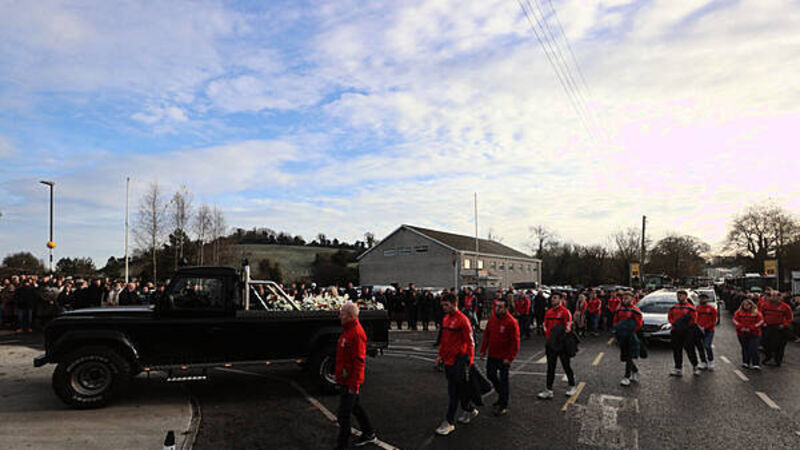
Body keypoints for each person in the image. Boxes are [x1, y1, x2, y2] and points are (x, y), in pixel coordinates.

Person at [334, 302, 377, 449]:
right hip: (346, 378)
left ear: (351, 316)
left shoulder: (356, 334)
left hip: (350, 381)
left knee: (343, 415)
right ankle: (369, 432)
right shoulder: (348, 330)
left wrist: (354, 385)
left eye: (343, 313)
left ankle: (342, 445)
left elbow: (358, 362)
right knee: (355, 407)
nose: (340, 316)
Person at [435, 292, 477, 436]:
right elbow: (444, 340)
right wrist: (440, 355)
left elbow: (470, 341)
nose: (444, 308)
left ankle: (449, 422)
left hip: (459, 360)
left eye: (446, 305)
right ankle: (470, 409)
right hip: (448, 360)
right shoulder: (446, 319)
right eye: (442, 305)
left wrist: (469, 360)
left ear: (454, 304)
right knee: (459, 389)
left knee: (453, 392)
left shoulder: (463, 320)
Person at [479, 298, 520, 416]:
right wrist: (482, 351)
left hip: (504, 357)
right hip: (493, 355)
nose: (497, 309)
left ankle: (503, 405)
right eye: (496, 306)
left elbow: (515, 342)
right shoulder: (492, 319)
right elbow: (486, 335)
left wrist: (510, 358)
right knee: (490, 375)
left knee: (504, 380)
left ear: (506, 308)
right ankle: (501, 394)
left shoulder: (511, 322)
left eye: (500, 307)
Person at [538, 293, 578, 399]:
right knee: (550, 367)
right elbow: (545, 325)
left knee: (566, 366)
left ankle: (572, 385)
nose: (552, 300)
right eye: (552, 298)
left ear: (561, 299)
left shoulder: (565, 312)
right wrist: (549, 337)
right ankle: (549, 389)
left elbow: (568, 327)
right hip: (551, 344)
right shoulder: (548, 312)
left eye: (555, 298)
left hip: (562, 344)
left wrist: (559, 337)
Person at [613, 292, 643, 386]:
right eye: (624, 298)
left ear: (632, 299)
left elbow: (639, 323)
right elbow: (615, 320)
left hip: (630, 335)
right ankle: (635, 370)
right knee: (625, 355)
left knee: (629, 355)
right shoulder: (620, 309)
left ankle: (627, 376)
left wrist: (631, 330)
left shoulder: (635, 310)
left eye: (627, 298)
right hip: (621, 335)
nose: (625, 300)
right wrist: (617, 328)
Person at [668, 290, 700, 377]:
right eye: (678, 296)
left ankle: (695, 366)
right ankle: (678, 369)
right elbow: (670, 317)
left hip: (687, 331)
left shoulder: (691, 308)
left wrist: (685, 327)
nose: (679, 297)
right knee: (677, 350)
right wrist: (674, 324)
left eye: (681, 295)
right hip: (676, 331)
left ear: (686, 297)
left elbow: (694, 319)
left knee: (690, 349)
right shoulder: (674, 307)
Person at [760, 290, 793, 367]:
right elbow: (761, 314)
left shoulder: (785, 307)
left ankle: (777, 361)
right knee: (766, 344)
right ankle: (768, 357)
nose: (774, 298)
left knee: (779, 345)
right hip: (767, 327)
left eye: (776, 296)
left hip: (779, 328)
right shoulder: (764, 305)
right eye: (772, 296)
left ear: (779, 297)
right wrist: (763, 322)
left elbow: (790, 318)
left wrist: (784, 325)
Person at [733, 299, 764, 370]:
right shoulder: (738, 313)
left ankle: (755, 363)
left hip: (754, 334)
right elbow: (735, 321)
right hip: (742, 333)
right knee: (745, 348)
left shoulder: (756, 313)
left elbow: (760, 321)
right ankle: (745, 362)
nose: (746, 306)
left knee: (753, 348)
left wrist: (751, 328)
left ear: (751, 305)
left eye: (748, 305)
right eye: (745, 305)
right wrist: (741, 327)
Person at [695, 294, 718, 370]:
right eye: (701, 298)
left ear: (707, 299)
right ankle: (703, 362)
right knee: (700, 347)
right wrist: (698, 326)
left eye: (704, 298)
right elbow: (695, 318)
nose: (702, 300)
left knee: (707, 346)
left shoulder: (711, 309)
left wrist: (705, 327)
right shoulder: (697, 308)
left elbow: (714, 320)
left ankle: (711, 361)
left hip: (709, 330)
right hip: (699, 330)